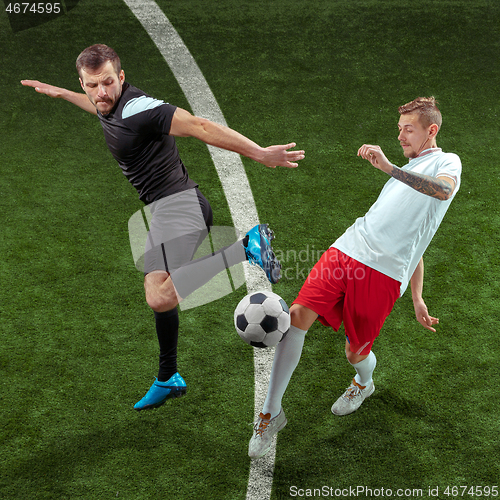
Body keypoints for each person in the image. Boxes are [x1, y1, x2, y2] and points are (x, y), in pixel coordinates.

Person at [21, 44, 305, 411]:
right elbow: (97, 106)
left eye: (108, 82)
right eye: (92, 86)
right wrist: (63, 94)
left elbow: (200, 126)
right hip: (163, 208)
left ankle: (246, 248)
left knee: (160, 295)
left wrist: (260, 153)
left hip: (179, 205)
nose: (101, 93)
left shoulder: (139, 108)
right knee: (160, 293)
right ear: (83, 82)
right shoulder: (103, 101)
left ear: (121, 77)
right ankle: (168, 376)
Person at [248, 96, 461, 459]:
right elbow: (411, 235)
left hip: (383, 275)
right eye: (399, 130)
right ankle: (271, 413)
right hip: (348, 249)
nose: (401, 136)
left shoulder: (447, 162)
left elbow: (438, 197)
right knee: (296, 317)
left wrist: (416, 296)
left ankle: (364, 382)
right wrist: (419, 295)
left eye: (408, 129)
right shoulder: (404, 178)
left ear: (432, 130)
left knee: (355, 351)